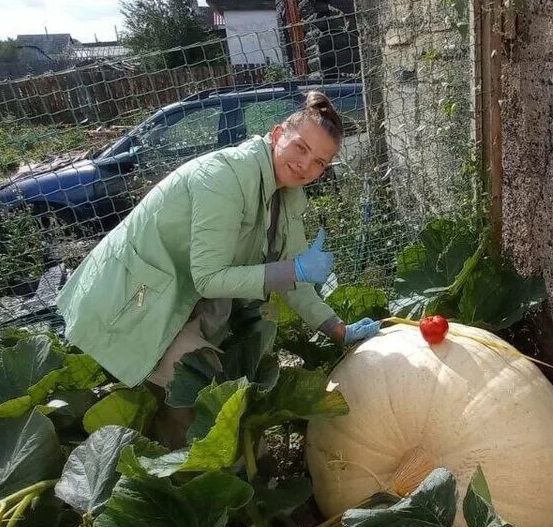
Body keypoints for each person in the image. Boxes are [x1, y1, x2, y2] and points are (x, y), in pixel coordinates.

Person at [57, 90, 381, 396]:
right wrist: (293, 269)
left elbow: (295, 279)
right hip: (132, 300)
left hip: (179, 295)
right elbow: (211, 278)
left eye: (319, 163)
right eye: (301, 148)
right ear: (278, 133)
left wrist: (337, 329)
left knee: (198, 400)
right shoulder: (223, 179)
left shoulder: (287, 196)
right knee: (207, 397)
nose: (306, 166)